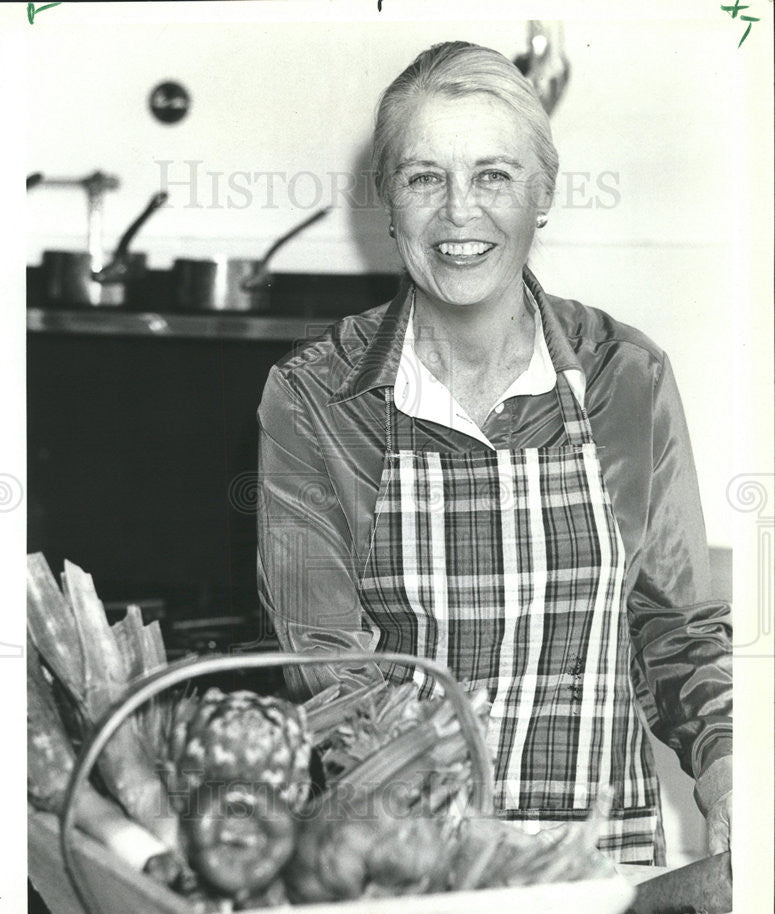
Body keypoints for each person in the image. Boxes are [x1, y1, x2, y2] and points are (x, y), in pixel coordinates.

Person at [256, 41, 732, 864]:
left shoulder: (627, 377)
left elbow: (677, 629)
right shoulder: (315, 399)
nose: (457, 213)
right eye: (423, 177)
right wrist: (457, 854)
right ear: (387, 200)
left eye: (493, 176)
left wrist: (732, 775)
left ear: (541, 194)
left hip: (602, 872)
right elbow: (325, 668)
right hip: (402, 869)